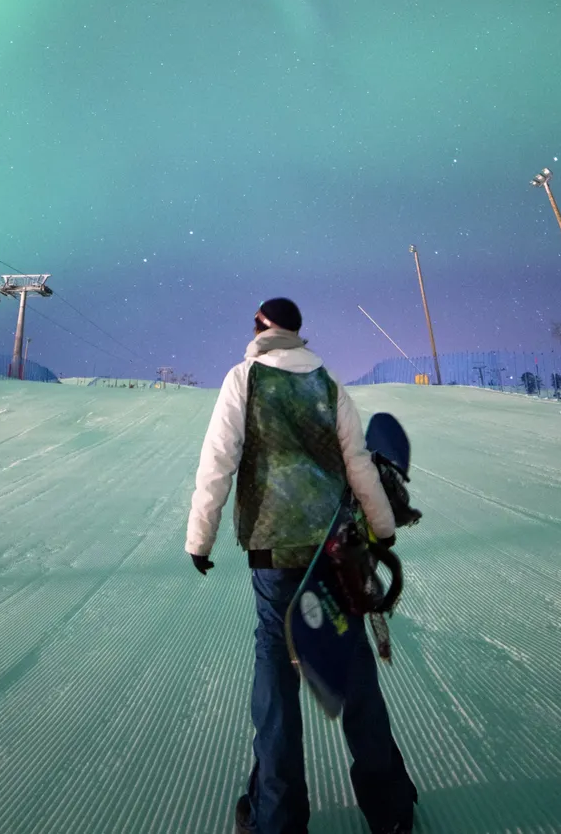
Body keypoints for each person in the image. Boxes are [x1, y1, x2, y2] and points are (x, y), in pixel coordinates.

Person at [185, 297, 418, 834]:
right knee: (352, 663)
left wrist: (200, 537)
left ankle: (277, 817)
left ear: (261, 327)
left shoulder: (243, 379)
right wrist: (382, 527)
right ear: (296, 331)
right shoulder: (328, 383)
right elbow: (358, 461)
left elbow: (218, 459)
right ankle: (390, 811)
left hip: (273, 552)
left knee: (276, 669)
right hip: (333, 551)